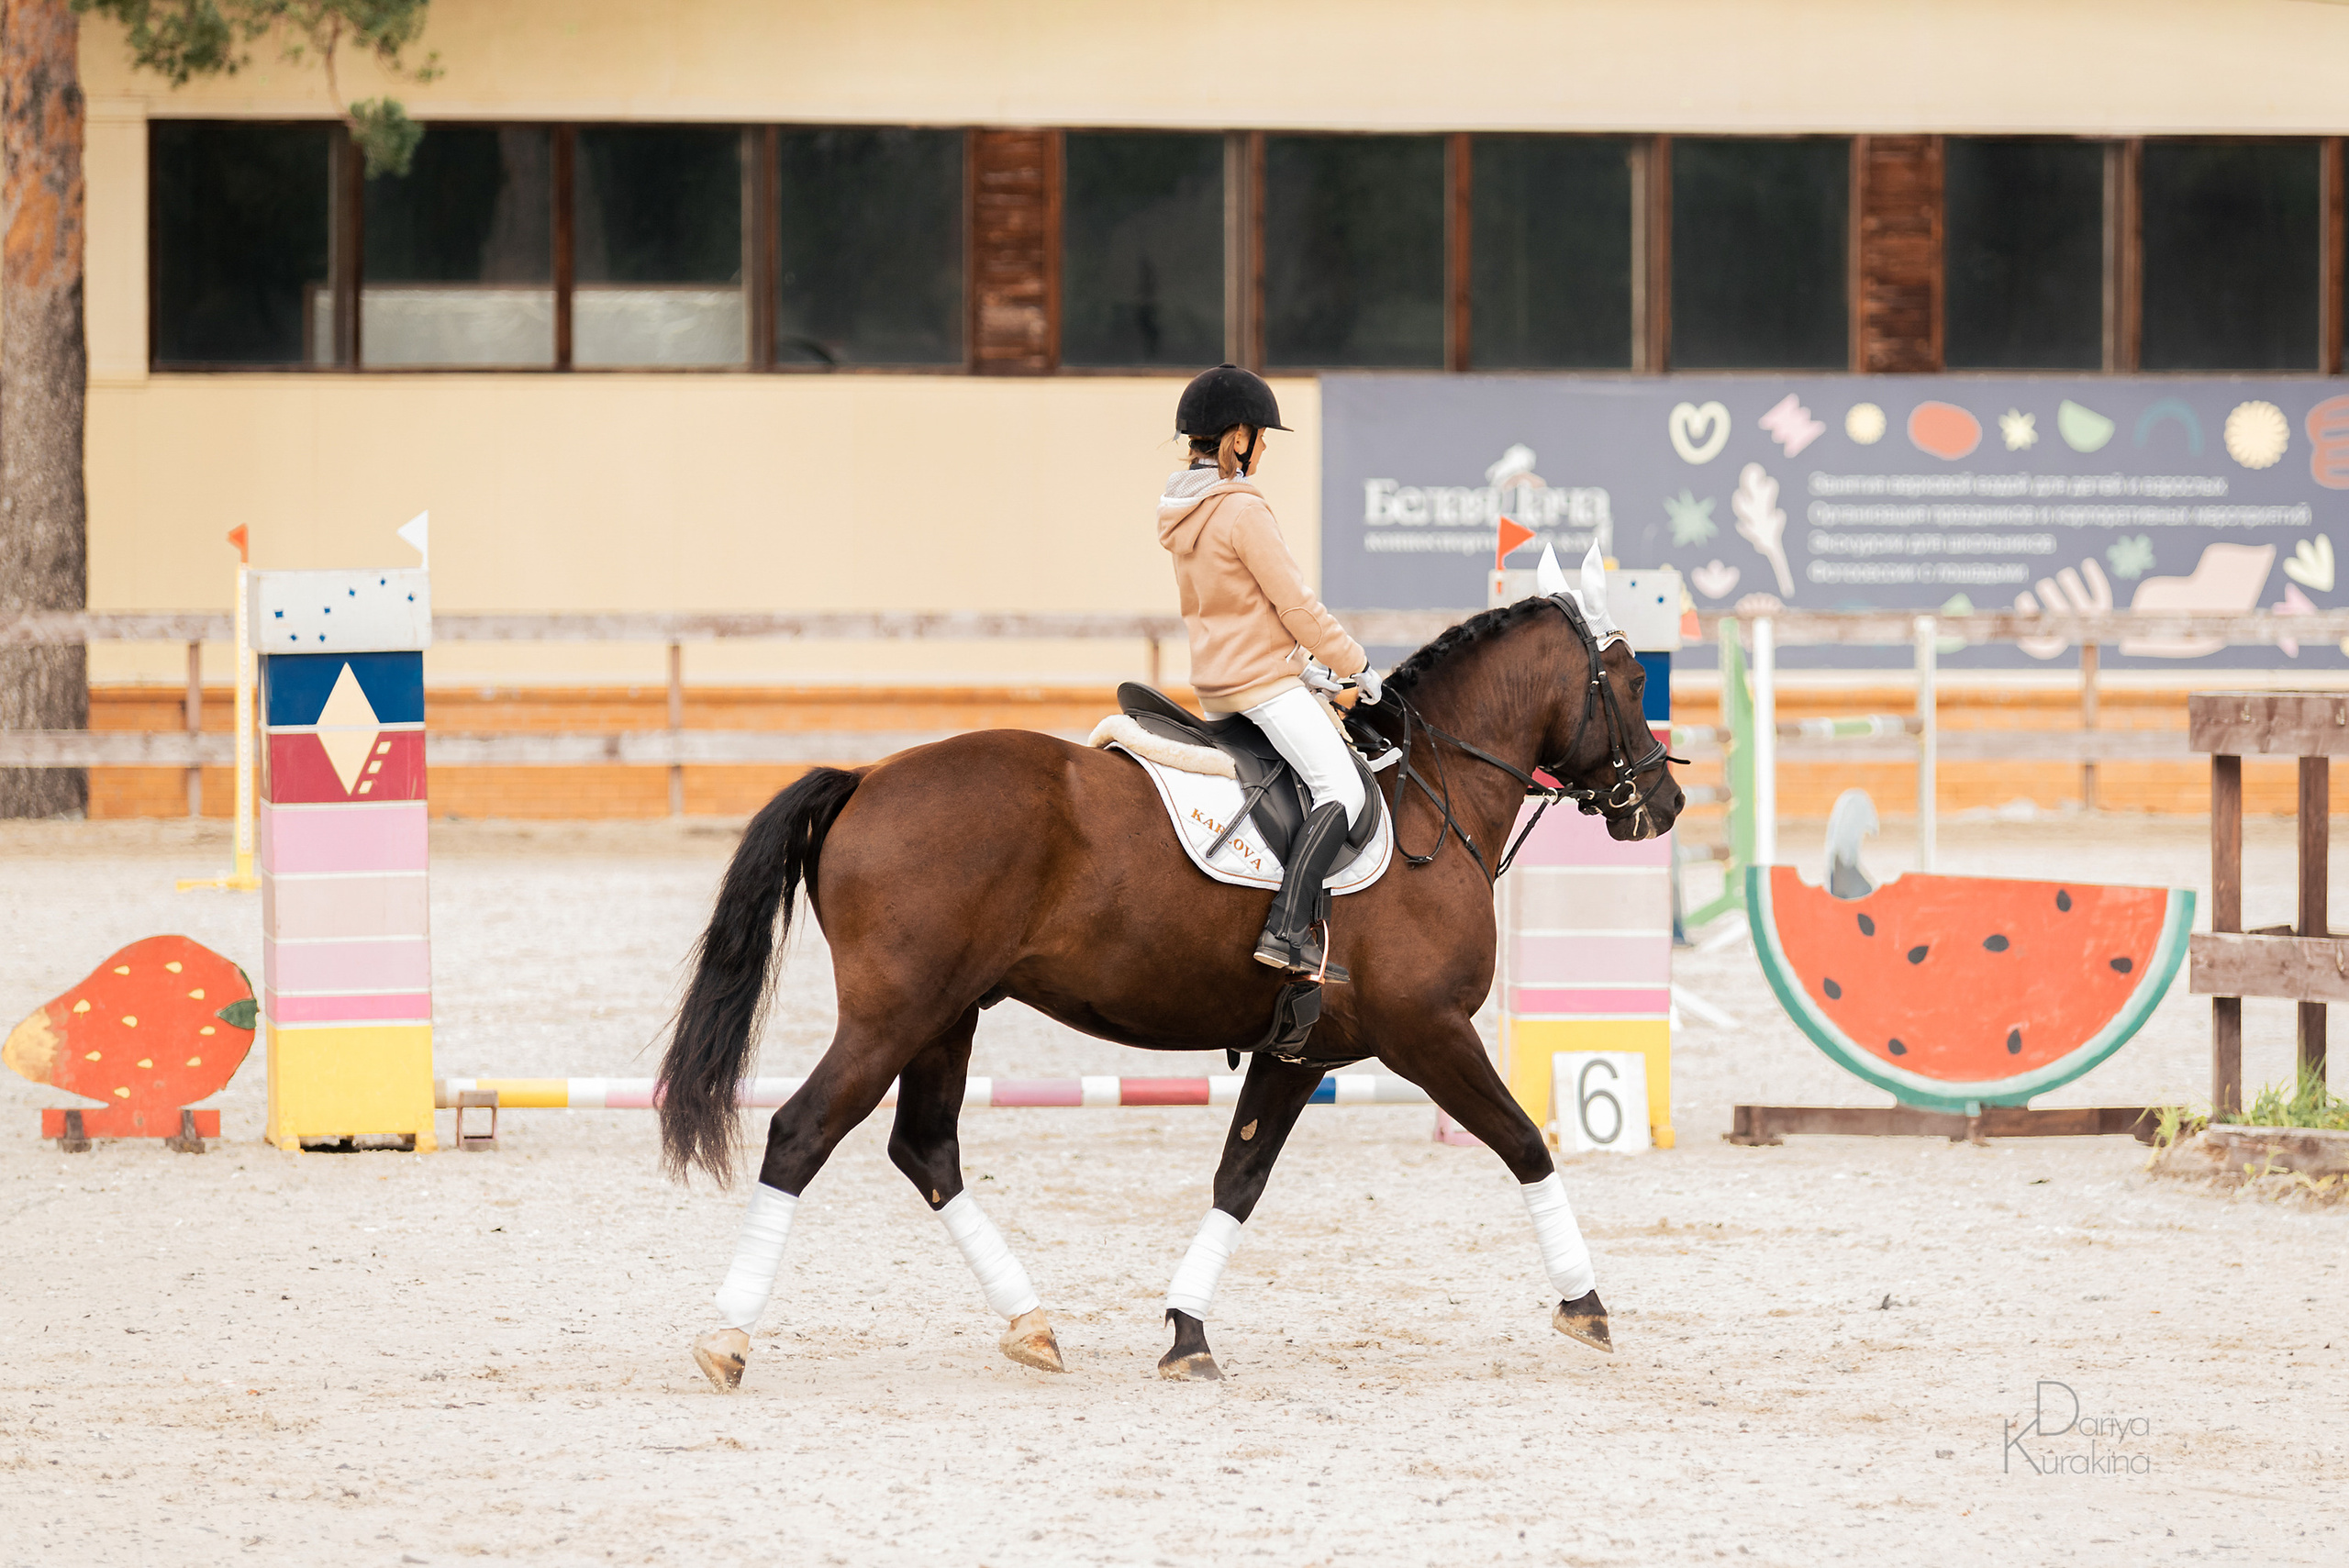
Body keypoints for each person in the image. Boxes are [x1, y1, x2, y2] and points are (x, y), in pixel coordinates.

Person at [1159, 363, 1381, 979]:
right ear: (1237, 437)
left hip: (1218, 687)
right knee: (1343, 789)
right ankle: (1286, 929)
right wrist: (1355, 664)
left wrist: (1305, 670)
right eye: (1260, 437)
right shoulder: (1241, 509)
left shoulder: (1182, 511)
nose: (1262, 450)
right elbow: (1296, 607)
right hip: (1260, 687)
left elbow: (1237, 609)